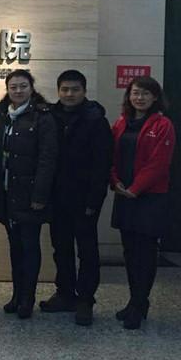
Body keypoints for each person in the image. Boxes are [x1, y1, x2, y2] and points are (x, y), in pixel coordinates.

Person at [42, 70, 112, 326]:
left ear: (84, 91)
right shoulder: (50, 116)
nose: (69, 94)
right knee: (60, 249)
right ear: (58, 91)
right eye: (65, 89)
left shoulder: (96, 120)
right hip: (57, 197)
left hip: (84, 198)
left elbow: (102, 164)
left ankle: (85, 299)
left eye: (75, 90)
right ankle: (65, 294)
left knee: (87, 251)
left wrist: (94, 200)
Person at [0, 69, 57, 319]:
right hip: (6, 193)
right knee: (14, 246)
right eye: (13, 87)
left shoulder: (42, 117)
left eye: (23, 86)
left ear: (31, 88)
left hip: (30, 195)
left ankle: (27, 298)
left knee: (29, 246)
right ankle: (16, 295)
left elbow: (48, 159)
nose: (18, 91)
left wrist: (40, 195)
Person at [110, 76, 175, 330]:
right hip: (124, 193)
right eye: (136, 93)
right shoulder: (121, 122)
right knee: (129, 251)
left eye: (145, 94)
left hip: (149, 197)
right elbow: (110, 155)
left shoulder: (163, 125)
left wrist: (136, 189)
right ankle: (134, 301)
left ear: (155, 97)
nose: (140, 98)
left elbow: (159, 163)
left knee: (145, 253)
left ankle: (140, 303)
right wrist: (115, 181)